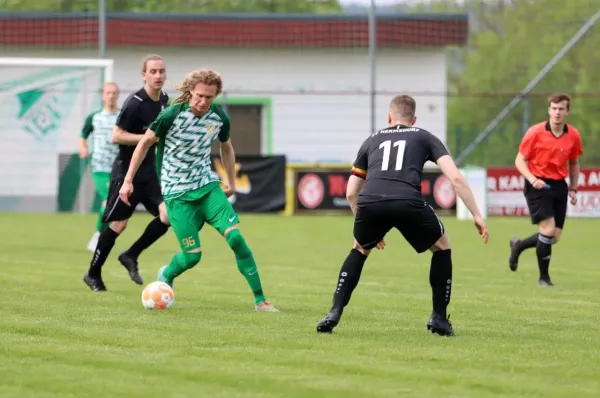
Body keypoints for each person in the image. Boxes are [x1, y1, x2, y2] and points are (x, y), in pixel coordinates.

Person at [316, 95, 489, 336]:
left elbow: (350, 192)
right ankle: (439, 317)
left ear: (389, 117)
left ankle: (334, 311)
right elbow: (456, 178)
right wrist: (477, 215)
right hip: (407, 200)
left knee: (359, 248)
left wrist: (366, 224)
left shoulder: (372, 140)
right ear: (414, 118)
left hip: (371, 202)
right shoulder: (424, 136)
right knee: (442, 247)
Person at [119, 68, 279, 313]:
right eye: (200, 96)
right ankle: (167, 273)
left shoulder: (218, 118)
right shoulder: (171, 115)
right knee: (192, 256)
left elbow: (226, 147)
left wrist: (232, 182)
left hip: (207, 187)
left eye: (209, 97)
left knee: (236, 238)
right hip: (177, 196)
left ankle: (261, 300)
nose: (204, 102)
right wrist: (128, 180)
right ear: (190, 91)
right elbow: (144, 143)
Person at [83, 54, 171, 292]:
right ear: (144, 75)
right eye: (153, 71)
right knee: (119, 224)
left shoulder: (164, 100)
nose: (158, 75)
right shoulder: (134, 103)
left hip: (150, 173)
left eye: (161, 71)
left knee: (168, 215)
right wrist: (146, 138)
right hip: (125, 172)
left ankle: (131, 254)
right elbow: (116, 135)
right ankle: (93, 273)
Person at [508, 93, 583, 286]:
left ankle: (518, 246)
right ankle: (544, 279)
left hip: (559, 185)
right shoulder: (535, 132)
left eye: (561, 109)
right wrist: (532, 179)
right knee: (547, 230)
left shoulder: (573, 135)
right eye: (554, 108)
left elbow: (574, 163)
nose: (557, 112)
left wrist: (573, 188)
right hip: (537, 184)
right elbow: (519, 160)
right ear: (549, 109)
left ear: (567, 111)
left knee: (554, 236)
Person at [78, 82, 121, 252]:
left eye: (114, 93)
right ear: (103, 95)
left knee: (115, 206)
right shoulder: (94, 117)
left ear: (117, 95)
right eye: (108, 92)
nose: (111, 96)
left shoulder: (122, 117)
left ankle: (102, 235)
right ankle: (97, 236)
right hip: (100, 166)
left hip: (118, 167)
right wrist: (83, 147)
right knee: (108, 201)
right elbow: (83, 135)